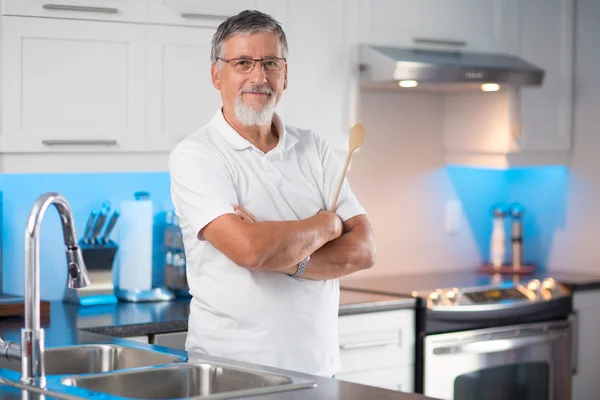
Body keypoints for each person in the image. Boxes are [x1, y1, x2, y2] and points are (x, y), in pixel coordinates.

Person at [168, 9, 375, 378]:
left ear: (285, 74)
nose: (258, 77)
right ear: (217, 75)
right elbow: (251, 250)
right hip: (229, 373)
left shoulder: (316, 148)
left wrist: (284, 256)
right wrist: (326, 226)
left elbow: (363, 250)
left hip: (316, 371)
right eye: (243, 63)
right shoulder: (196, 155)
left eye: (270, 63)